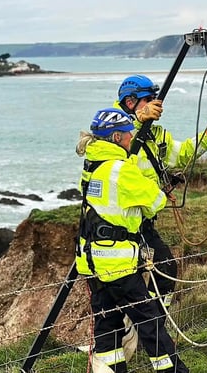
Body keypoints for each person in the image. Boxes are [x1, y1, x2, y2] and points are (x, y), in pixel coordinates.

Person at [75, 107, 189, 373]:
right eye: (127, 133)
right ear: (116, 137)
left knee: (107, 325)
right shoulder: (121, 170)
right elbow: (155, 202)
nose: (130, 138)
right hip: (117, 263)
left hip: (91, 261)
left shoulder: (91, 164)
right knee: (149, 323)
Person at [115, 74, 207, 308]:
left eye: (156, 99)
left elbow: (182, 153)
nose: (156, 104)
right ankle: (146, 325)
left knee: (163, 270)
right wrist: (137, 121)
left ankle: (150, 324)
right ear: (130, 102)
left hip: (143, 219)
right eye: (149, 99)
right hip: (118, 222)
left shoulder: (155, 133)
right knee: (131, 280)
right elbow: (104, 150)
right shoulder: (113, 126)